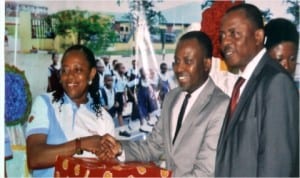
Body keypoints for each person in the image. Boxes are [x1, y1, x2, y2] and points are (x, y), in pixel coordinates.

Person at [98, 31, 230, 177]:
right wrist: (120, 148)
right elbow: (152, 147)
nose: (179, 69)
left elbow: (205, 172)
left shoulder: (221, 106)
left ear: (206, 64)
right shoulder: (171, 98)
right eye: (176, 61)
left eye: (188, 61)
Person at [215, 4, 299, 177]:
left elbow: (276, 167)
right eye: (222, 35)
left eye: (234, 33)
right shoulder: (244, 82)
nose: (226, 42)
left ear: (258, 36)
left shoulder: (277, 82)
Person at [25, 45, 115, 177]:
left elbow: (108, 168)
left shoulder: (103, 118)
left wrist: (106, 156)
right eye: (65, 71)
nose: (70, 77)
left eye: (77, 70)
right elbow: (35, 158)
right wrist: (82, 144)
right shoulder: (45, 104)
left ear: (91, 73)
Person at [114, 62, 131, 137]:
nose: (124, 69)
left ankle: (122, 130)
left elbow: (124, 89)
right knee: (110, 114)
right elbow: (112, 89)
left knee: (120, 113)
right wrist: (115, 100)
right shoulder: (115, 77)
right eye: (122, 68)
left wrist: (125, 99)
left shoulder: (124, 77)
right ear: (117, 69)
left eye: (124, 68)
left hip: (120, 96)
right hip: (115, 95)